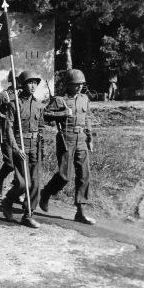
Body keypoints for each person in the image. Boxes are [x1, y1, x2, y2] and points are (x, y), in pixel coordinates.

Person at [40, 69, 95, 225]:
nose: (78, 87)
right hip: (66, 139)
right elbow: (45, 114)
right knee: (65, 176)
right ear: (68, 85)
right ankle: (46, 192)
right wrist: (63, 113)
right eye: (75, 85)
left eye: (81, 84)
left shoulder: (85, 99)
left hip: (81, 140)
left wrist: (90, 137)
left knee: (84, 175)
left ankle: (81, 211)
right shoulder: (59, 100)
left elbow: (88, 118)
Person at [1, 70, 46, 229]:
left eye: (35, 83)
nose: (33, 85)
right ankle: (8, 200)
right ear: (22, 84)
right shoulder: (14, 104)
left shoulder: (39, 104)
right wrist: (15, 148)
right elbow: (8, 130)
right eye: (29, 82)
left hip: (35, 146)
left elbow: (41, 127)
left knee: (35, 183)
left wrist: (42, 147)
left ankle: (28, 214)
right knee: (22, 183)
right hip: (20, 145)